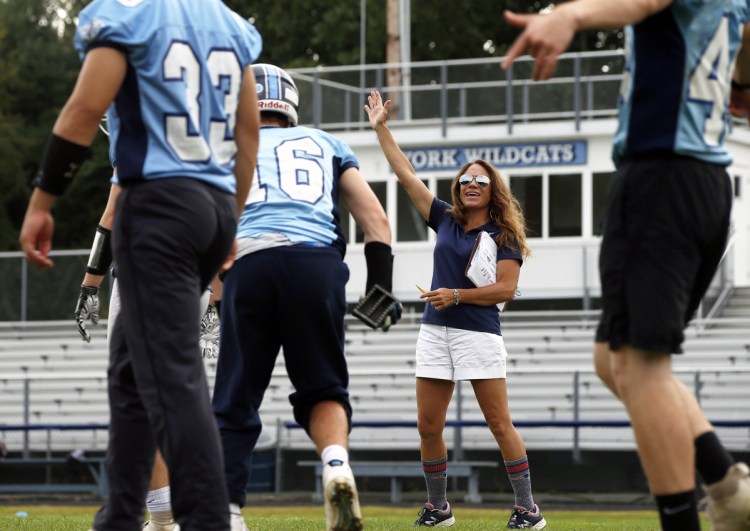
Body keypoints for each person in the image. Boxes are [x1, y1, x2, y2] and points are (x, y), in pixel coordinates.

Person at [502, 2, 750, 530]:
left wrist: (569, 15)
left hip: (661, 177)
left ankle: (687, 518)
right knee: (610, 360)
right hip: (708, 182)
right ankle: (725, 482)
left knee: (641, 368)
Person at [18, 0, 262, 528]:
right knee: (129, 373)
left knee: (174, 374)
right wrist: (230, 221)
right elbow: (247, 135)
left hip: (157, 205)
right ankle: (122, 516)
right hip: (213, 203)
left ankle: (206, 519)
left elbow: (84, 110)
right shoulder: (230, 25)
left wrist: (41, 202)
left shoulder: (126, 15)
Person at [211, 63, 394, 531]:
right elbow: (376, 222)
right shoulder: (327, 143)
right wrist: (380, 288)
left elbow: (211, 231)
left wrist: (213, 294)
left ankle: (228, 511)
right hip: (316, 265)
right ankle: (336, 466)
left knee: (236, 398)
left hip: (250, 263)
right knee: (323, 387)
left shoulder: (226, 149)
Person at [365, 91, 545, 529]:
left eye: (480, 181)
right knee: (428, 423)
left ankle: (527, 509)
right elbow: (406, 176)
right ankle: (438, 507)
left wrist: (457, 295)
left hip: (478, 333)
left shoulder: (505, 236)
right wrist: (381, 129)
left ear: (493, 191)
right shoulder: (445, 217)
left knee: (498, 423)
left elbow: (505, 289)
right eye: (465, 179)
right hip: (435, 331)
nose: (470, 184)